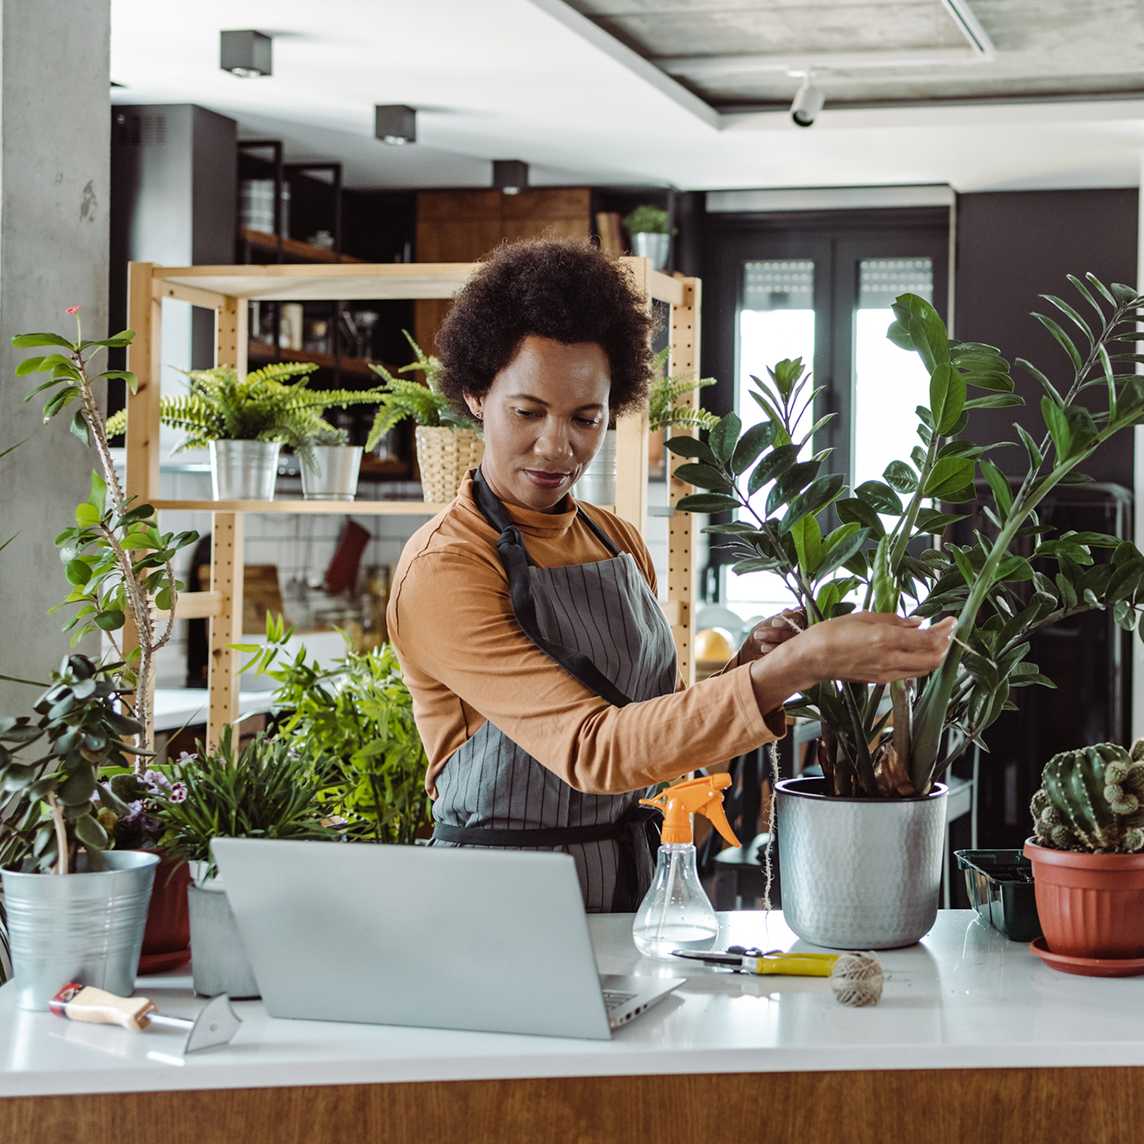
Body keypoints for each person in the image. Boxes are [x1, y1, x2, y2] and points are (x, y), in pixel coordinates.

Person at [387, 239, 954, 912]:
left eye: (585, 417)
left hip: (637, 890)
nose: (557, 446)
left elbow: (656, 740)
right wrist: (797, 667)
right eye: (528, 411)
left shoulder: (616, 539)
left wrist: (748, 667)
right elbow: (595, 751)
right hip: (502, 906)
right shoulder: (447, 567)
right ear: (477, 394)